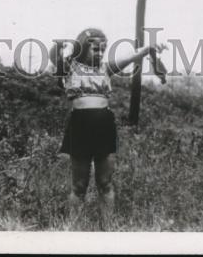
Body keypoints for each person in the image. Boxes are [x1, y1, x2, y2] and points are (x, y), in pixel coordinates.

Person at [51, 28, 167, 221]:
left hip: (104, 126)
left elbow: (134, 55)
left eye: (103, 49)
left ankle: (108, 228)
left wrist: (151, 48)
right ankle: (72, 229)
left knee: (105, 183)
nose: (100, 53)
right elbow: (54, 52)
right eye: (95, 49)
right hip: (79, 126)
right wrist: (66, 43)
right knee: (78, 186)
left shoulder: (107, 68)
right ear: (83, 48)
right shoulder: (69, 67)